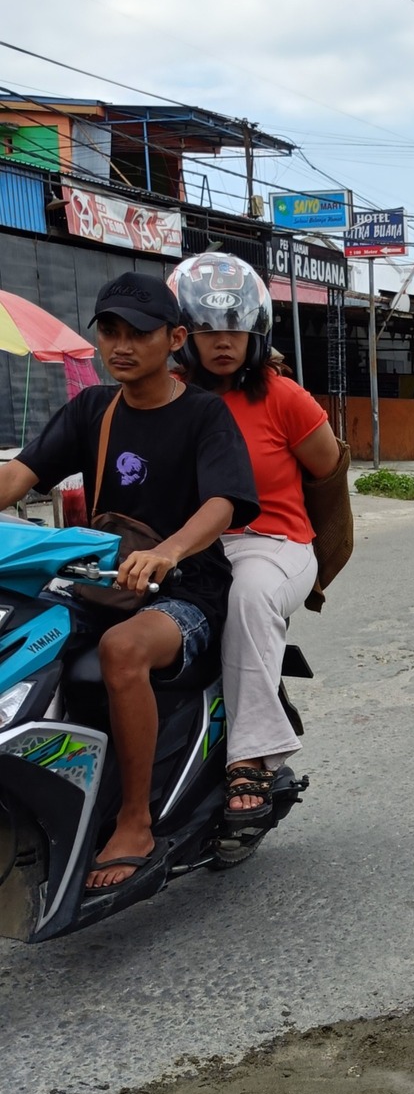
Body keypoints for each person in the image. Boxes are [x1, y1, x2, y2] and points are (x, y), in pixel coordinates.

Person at [0, 272, 258, 890]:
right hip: (101, 579)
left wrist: (169, 552)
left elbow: (224, 501)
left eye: (137, 334)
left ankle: (136, 820)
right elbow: (20, 476)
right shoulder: (93, 407)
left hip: (187, 590)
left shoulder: (204, 414)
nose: (120, 346)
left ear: (173, 339)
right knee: (24, 628)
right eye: (110, 332)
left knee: (121, 651)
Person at [169, 252, 342, 822]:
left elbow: (328, 472)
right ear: (182, 335)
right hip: (192, 545)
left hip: (275, 544)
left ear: (255, 332)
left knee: (248, 594)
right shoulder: (168, 397)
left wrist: (324, 556)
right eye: (208, 329)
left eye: (235, 329)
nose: (223, 342)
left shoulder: (282, 396)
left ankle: (253, 757)